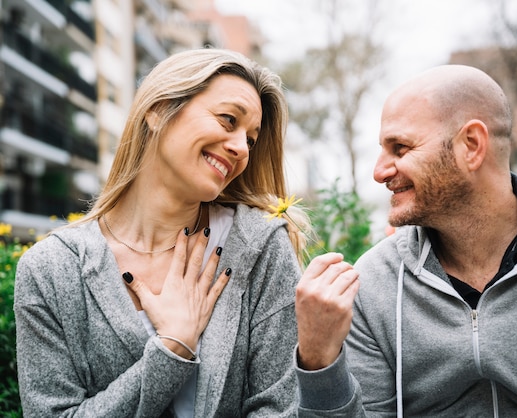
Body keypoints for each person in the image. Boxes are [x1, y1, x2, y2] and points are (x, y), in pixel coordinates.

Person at [294, 65, 517, 416]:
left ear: (471, 146)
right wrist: (318, 362)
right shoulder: (375, 281)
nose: (379, 171)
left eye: (400, 148)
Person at [14, 48, 308, 417]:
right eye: (228, 120)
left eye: (250, 139)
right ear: (159, 109)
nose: (240, 149)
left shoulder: (260, 247)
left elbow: (281, 408)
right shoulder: (50, 270)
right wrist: (171, 350)